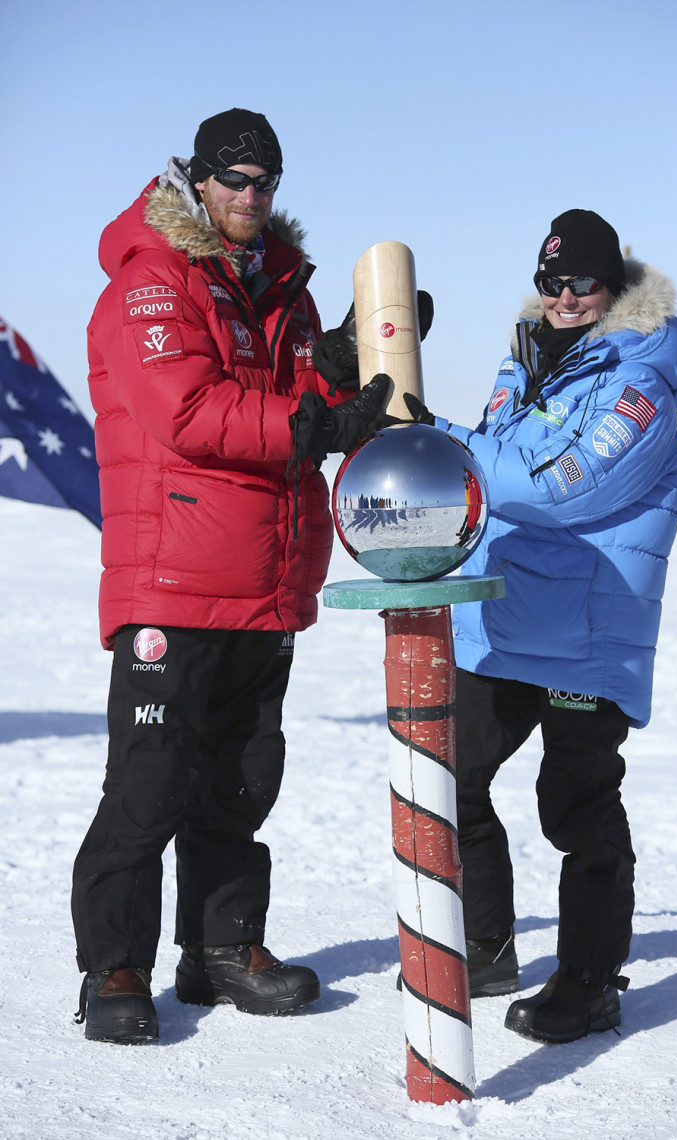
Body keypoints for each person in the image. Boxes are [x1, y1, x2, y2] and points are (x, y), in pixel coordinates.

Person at [72, 108, 392, 1044]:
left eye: (266, 183)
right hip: (173, 579)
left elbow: (308, 401)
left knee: (242, 782)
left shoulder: (279, 287)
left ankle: (218, 951)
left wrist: (352, 364)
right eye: (234, 179)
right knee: (149, 783)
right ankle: (114, 967)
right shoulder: (152, 279)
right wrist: (310, 423)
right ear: (197, 178)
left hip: (264, 582)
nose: (251, 197)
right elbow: (190, 409)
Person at [403, 209, 677, 1043]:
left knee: (576, 808)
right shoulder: (526, 358)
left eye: (581, 282)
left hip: (588, 628)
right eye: (551, 281)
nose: (565, 296)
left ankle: (588, 981)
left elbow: (557, 483)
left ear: (615, 285)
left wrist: (433, 435)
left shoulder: (642, 379)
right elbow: (503, 463)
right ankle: (487, 944)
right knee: (454, 776)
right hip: (506, 615)